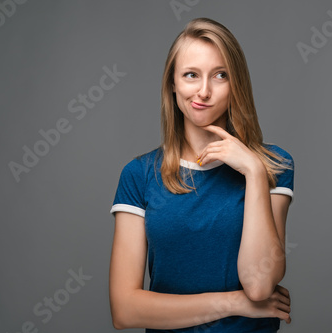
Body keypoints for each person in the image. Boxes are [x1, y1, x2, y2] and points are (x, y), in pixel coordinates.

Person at [109, 17, 295, 332]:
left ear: (236, 83)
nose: (204, 91)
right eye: (191, 75)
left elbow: (260, 285)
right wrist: (233, 303)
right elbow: (125, 311)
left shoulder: (273, 165)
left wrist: (253, 170)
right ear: (173, 83)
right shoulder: (139, 175)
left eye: (220, 75)